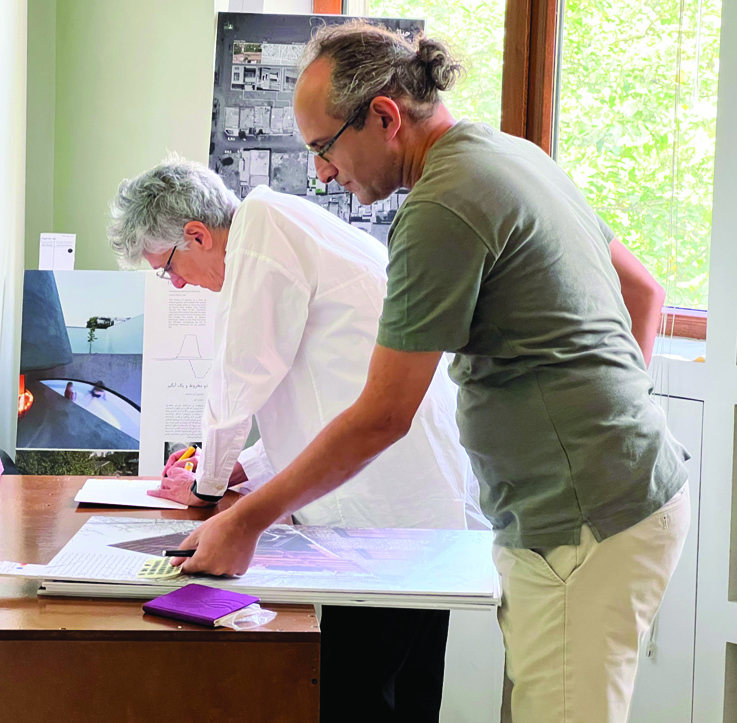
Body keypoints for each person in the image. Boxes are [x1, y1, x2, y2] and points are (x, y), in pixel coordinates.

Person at [170, 21, 691, 723]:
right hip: (610, 496)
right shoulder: (508, 154)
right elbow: (643, 293)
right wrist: (610, 414)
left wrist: (244, 522)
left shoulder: (441, 205)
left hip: (583, 520)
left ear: (383, 116)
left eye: (324, 147)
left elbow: (384, 413)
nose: (321, 171)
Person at [108, 155, 481, 721]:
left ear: (196, 235)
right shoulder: (284, 226)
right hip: (415, 506)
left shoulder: (261, 231)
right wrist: (238, 469)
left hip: (384, 518)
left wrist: (208, 491)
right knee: (408, 692)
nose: (178, 282)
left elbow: (237, 382)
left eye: (167, 267)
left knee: (355, 698)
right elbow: (311, 397)